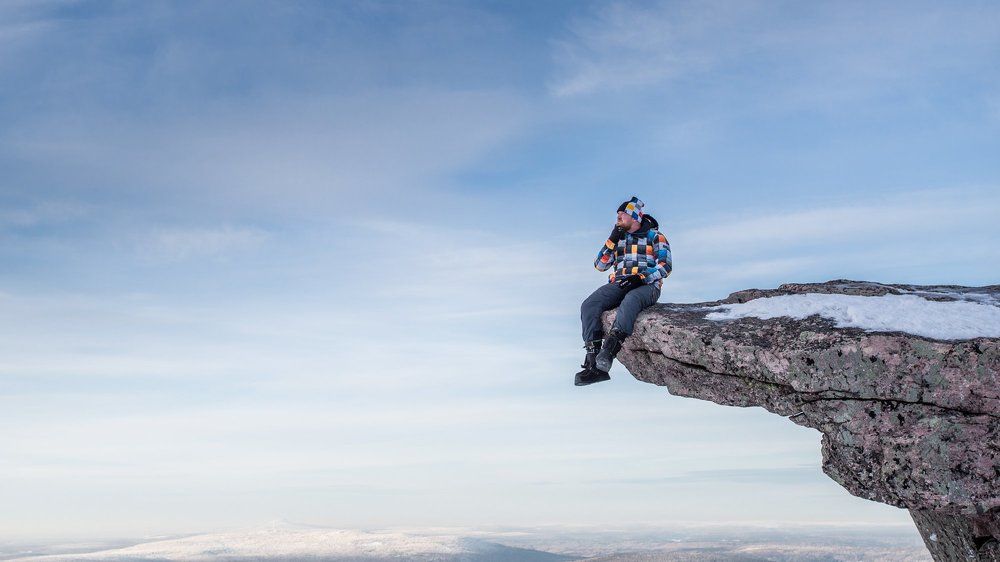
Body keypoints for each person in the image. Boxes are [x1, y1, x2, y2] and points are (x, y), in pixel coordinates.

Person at [576, 196, 672, 386]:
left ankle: (608, 353)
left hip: (646, 285)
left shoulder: (655, 236)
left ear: (635, 217)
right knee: (589, 304)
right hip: (619, 282)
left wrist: (642, 277)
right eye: (617, 215)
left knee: (631, 300)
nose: (618, 218)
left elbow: (665, 266)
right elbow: (600, 265)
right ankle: (593, 362)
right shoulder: (618, 239)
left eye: (622, 215)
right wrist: (612, 239)